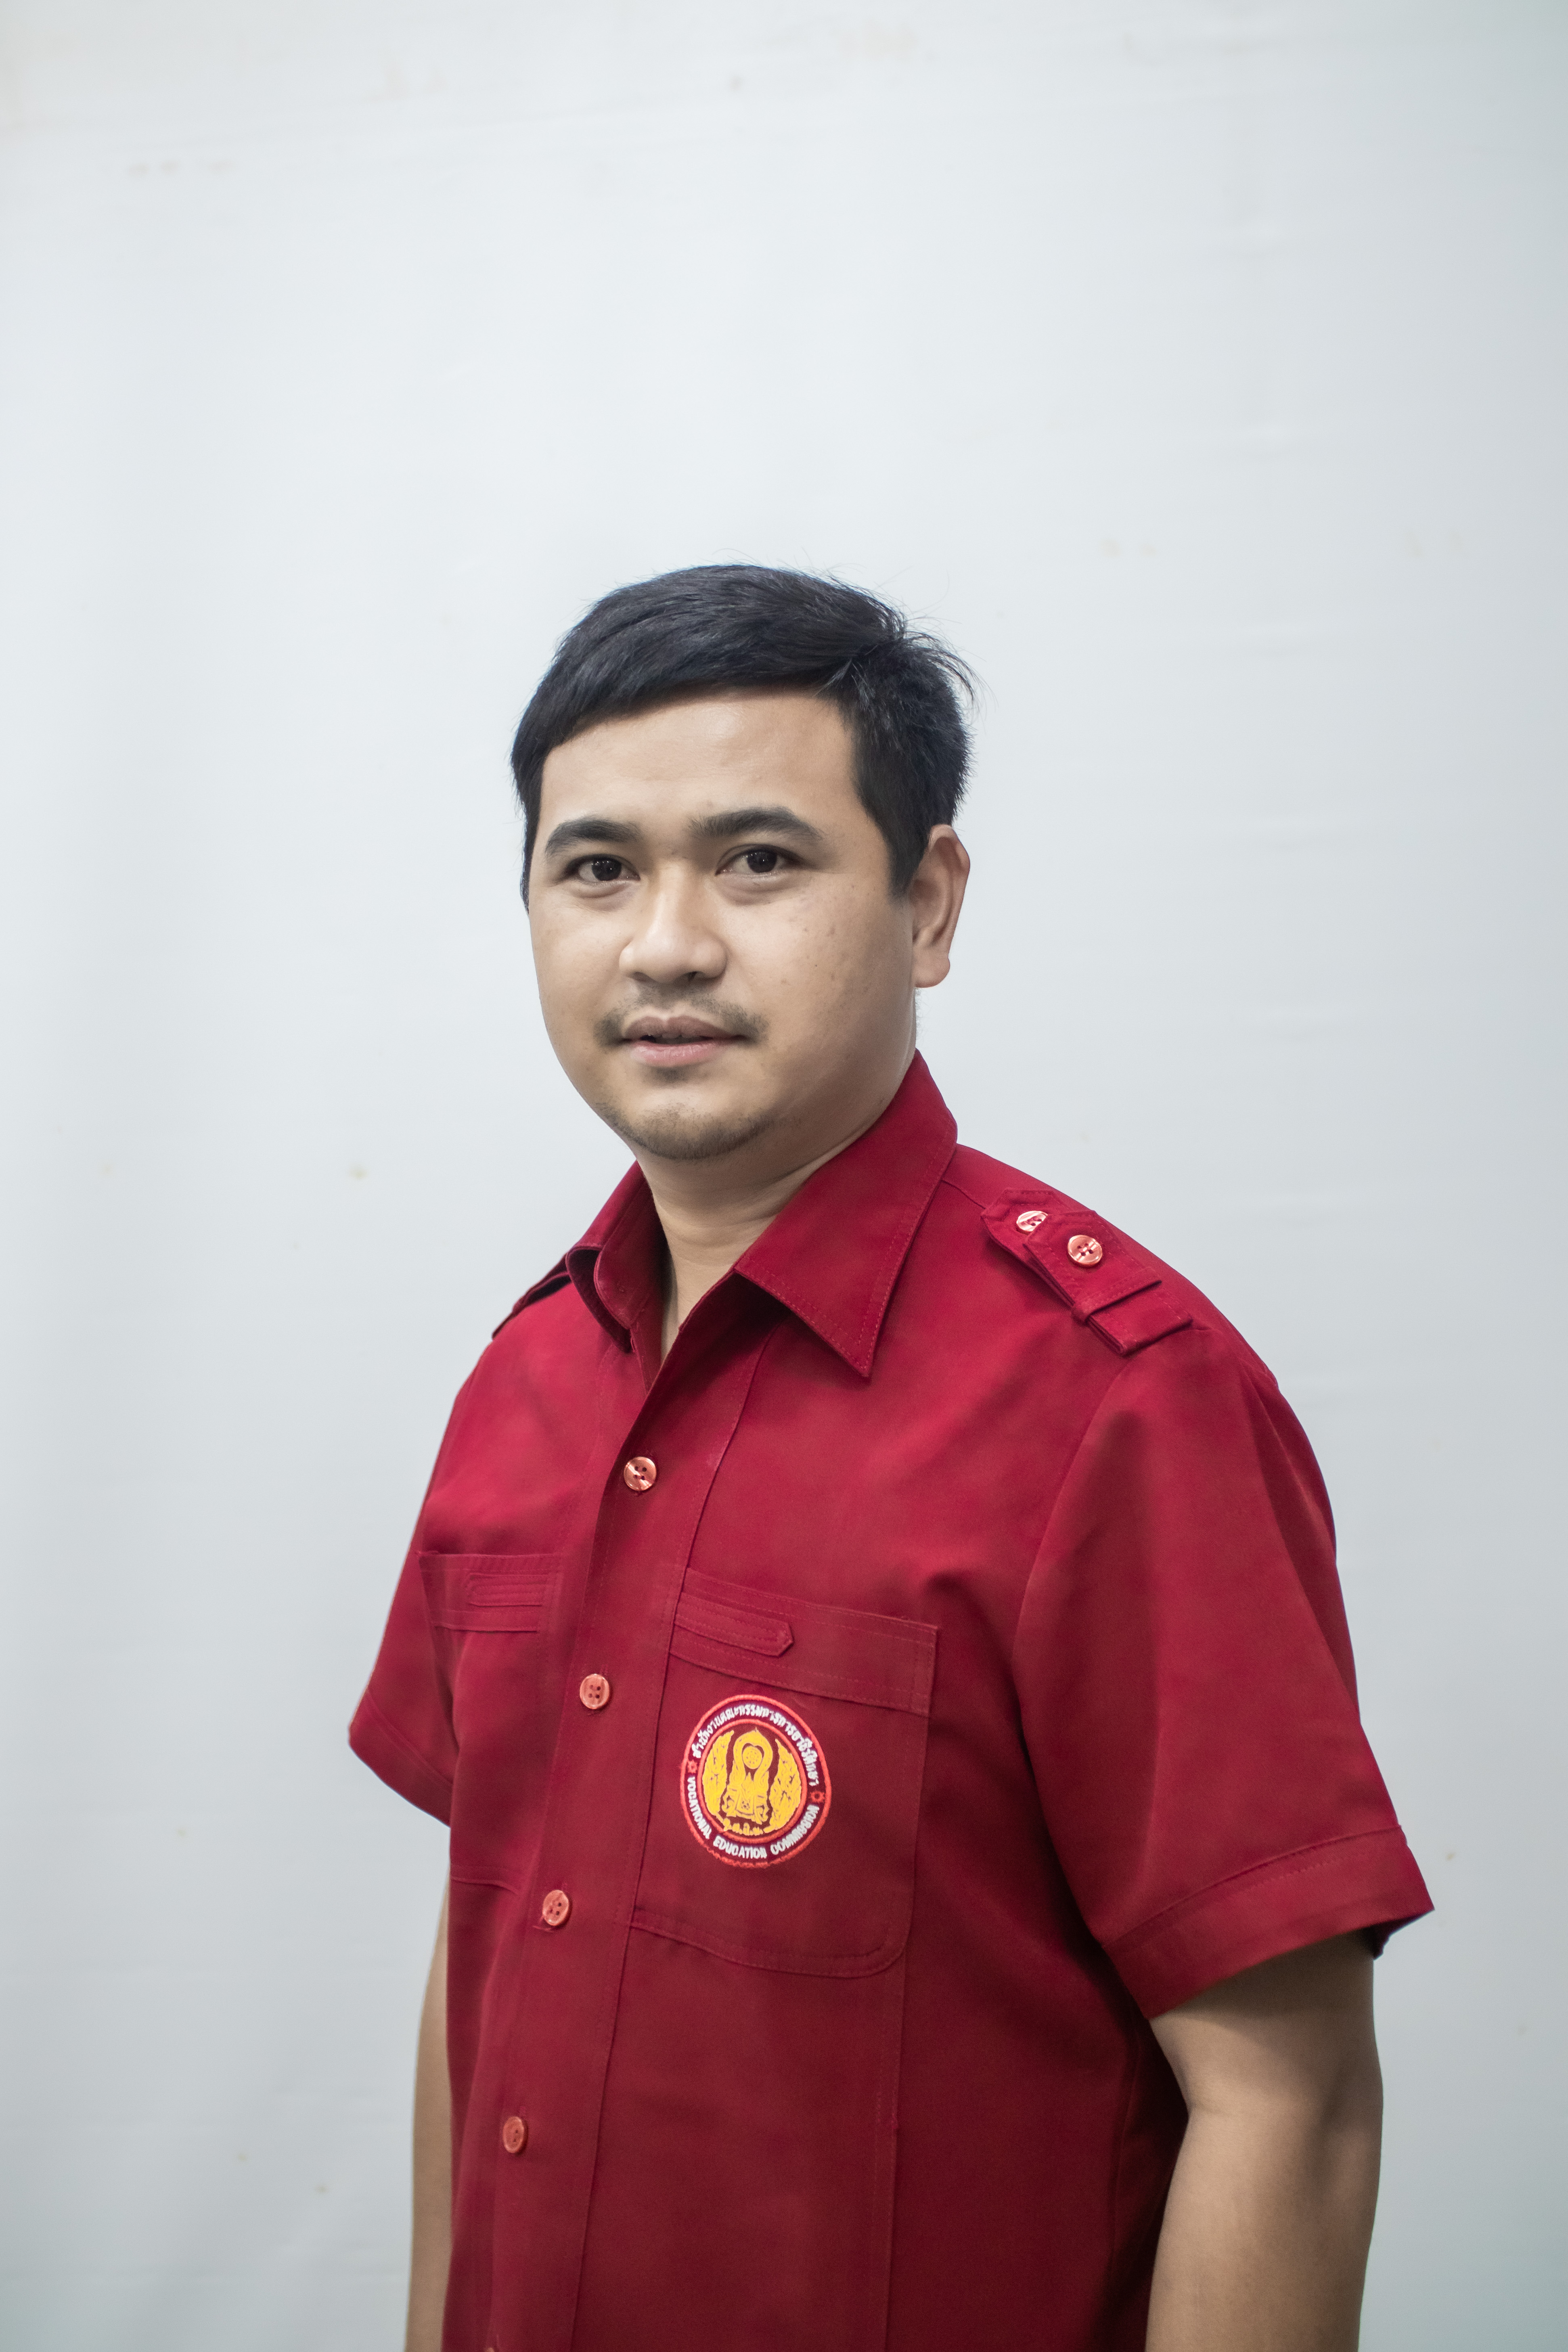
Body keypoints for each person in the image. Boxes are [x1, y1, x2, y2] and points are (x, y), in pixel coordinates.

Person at [350, 565, 1431, 2352]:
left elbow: (1290, 2103)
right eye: (596, 867)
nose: (665, 943)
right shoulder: (527, 1381)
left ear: (927, 902)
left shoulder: (1117, 1408)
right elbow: (490, 1942)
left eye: (759, 860)